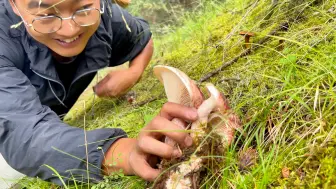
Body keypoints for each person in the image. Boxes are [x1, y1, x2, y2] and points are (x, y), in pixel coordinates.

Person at [0, 0, 197, 186]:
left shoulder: (106, 14)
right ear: (14, 4)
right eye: (45, 15)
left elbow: (142, 39)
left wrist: (132, 73)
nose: (70, 30)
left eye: (83, 8)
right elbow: (22, 133)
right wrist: (120, 153)